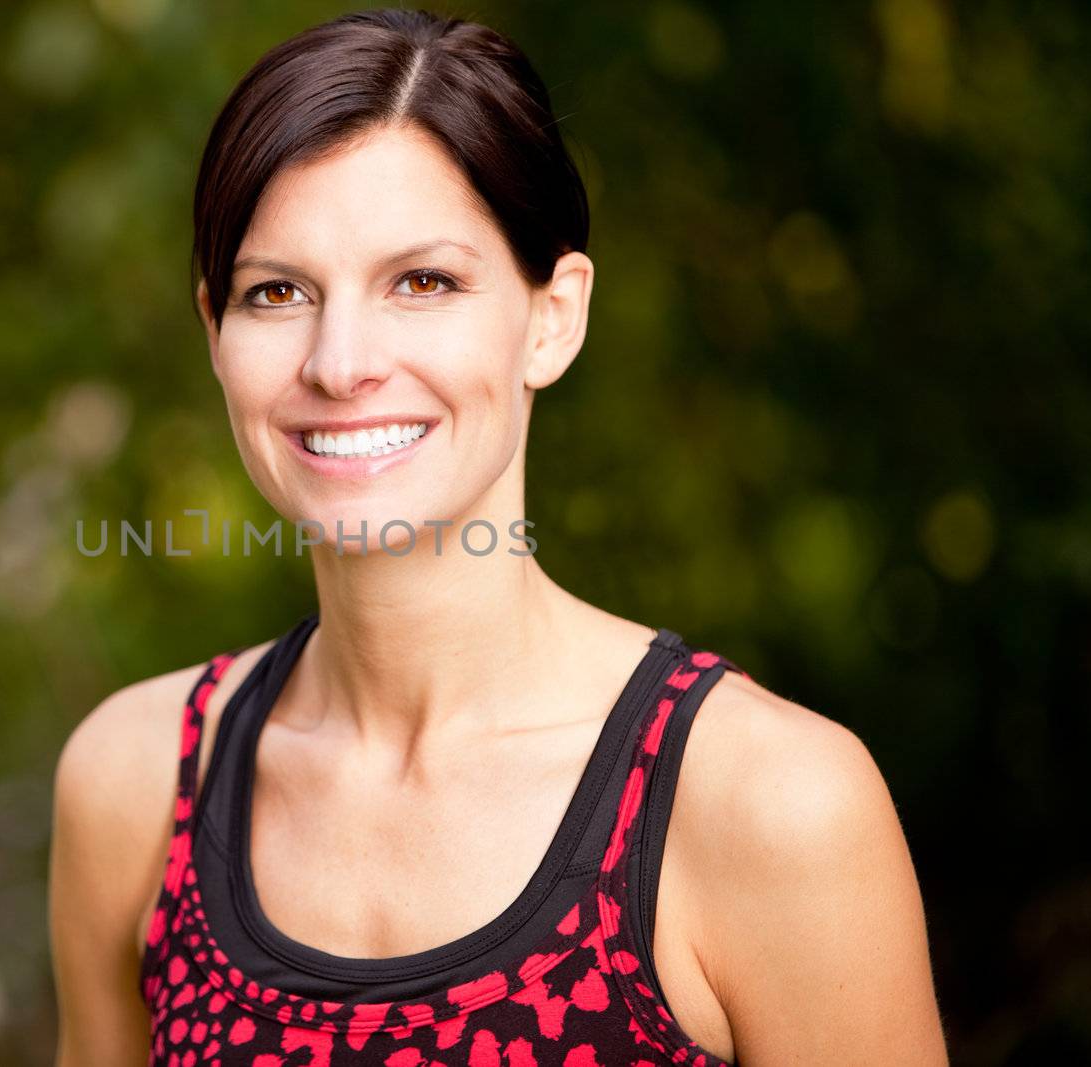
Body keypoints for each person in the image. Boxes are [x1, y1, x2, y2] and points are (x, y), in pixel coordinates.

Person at [50, 8, 949, 1065]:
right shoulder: (138, 779)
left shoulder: (768, 802)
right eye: (277, 292)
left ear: (551, 317)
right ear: (216, 333)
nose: (340, 362)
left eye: (421, 282)